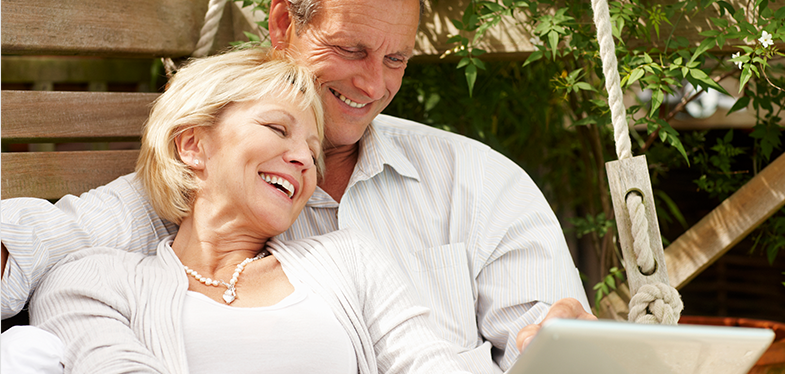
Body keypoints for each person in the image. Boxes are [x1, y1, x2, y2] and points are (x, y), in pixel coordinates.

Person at [1, 0, 595, 371]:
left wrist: (564, 344)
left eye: (396, 59)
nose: (373, 84)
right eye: (351, 49)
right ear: (284, 24)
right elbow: (42, 241)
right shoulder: (135, 235)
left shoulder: (478, 181)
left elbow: (546, 342)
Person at [23, 47, 471, 373]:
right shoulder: (93, 281)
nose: (303, 159)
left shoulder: (351, 260)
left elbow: (429, 363)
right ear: (193, 145)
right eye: (277, 128)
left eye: (313, 152)